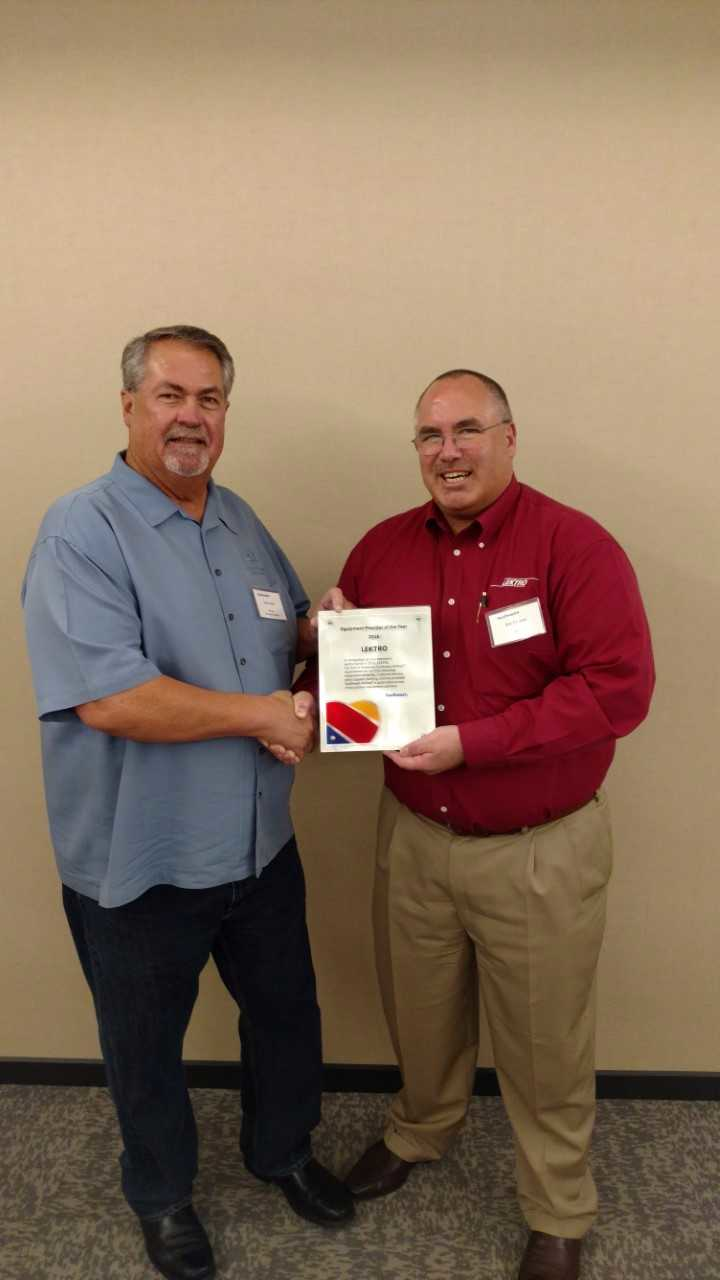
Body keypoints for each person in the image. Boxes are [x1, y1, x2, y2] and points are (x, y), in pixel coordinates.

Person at [21, 325, 353, 1280]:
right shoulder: (81, 529)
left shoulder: (239, 520)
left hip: (257, 844)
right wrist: (264, 712)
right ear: (128, 406)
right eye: (170, 396)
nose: (190, 417)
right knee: (145, 1047)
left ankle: (281, 1152)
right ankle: (161, 1198)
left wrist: (325, 634)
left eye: (209, 400)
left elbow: (279, 640)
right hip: (143, 857)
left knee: (287, 1012)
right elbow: (113, 696)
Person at [307, 369, 654, 1280]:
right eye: (429, 436)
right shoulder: (381, 549)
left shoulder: (574, 546)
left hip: (537, 849)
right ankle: (421, 1130)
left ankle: (558, 1208)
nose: (447, 451)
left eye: (467, 430)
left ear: (509, 437)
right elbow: (352, 685)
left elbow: (617, 691)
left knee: (545, 1042)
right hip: (415, 837)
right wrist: (323, 644)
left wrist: (476, 744)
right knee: (417, 1014)